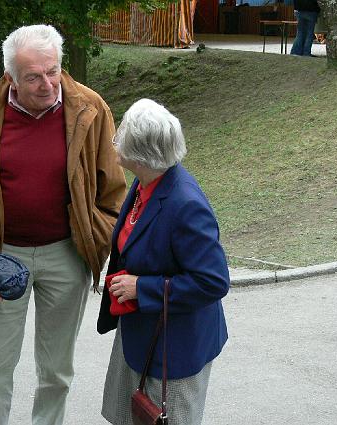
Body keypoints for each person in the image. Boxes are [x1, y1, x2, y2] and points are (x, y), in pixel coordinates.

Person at [0, 24, 127, 425]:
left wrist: (98, 241)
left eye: (52, 71)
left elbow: (113, 187)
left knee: (56, 370)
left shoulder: (90, 108)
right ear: (10, 76)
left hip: (66, 253)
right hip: (3, 255)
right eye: (33, 76)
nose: (47, 83)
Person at [97, 99, 229, 425]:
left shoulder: (185, 204)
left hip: (175, 348)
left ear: (141, 154)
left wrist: (143, 287)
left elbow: (212, 281)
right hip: (140, 334)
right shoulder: (146, 184)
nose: (115, 140)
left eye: (122, 135)